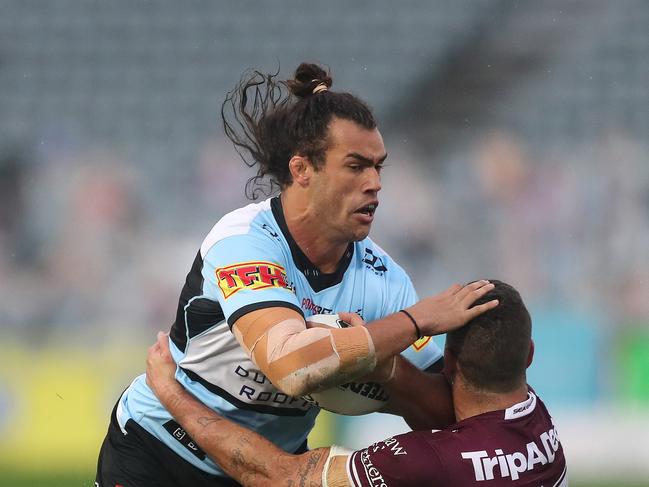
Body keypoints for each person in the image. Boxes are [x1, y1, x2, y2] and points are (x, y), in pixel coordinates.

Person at [95, 62, 498, 486]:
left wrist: (384, 368)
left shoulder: (385, 281)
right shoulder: (244, 241)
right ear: (302, 169)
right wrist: (415, 322)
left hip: (266, 469)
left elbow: (446, 414)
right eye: (356, 166)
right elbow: (289, 367)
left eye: (379, 167)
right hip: (160, 451)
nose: (375, 183)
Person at [146, 280, 567, 486]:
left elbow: (281, 478)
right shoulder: (541, 430)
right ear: (528, 354)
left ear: (450, 361)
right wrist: (376, 362)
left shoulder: (428, 461)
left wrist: (171, 396)